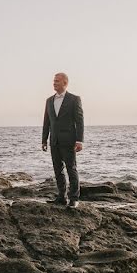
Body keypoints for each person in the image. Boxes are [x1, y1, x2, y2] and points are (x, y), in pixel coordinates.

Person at [42, 72, 84, 208]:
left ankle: (74, 198)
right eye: (54, 81)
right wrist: (44, 140)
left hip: (69, 141)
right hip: (54, 141)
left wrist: (79, 140)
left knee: (71, 169)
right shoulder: (49, 100)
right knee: (57, 169)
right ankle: (61, 196)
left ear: (65, 83)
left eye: (57, 81)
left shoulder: (74, 99)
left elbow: (80, 121)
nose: (54, 83)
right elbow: (46, 122)